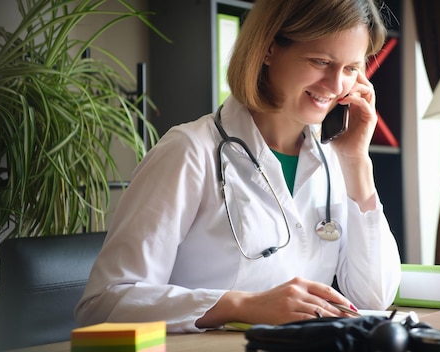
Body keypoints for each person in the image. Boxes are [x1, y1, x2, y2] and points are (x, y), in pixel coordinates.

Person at [75, 0, 401, 333]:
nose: (335, 86)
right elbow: (103, 305)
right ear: (269, 48)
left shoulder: (334, 163)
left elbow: (374, 297)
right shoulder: (190, 151)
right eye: (320, 61)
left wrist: (356, 163)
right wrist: (241, 306)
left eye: (350, 69)